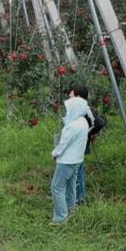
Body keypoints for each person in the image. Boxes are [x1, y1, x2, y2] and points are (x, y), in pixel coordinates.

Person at [50, 90, 92, 225]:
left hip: (66, 161)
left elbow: (63, 144)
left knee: (56, 187)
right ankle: (71, 210)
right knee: (71, 186)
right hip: (77, 160)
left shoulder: (72, 127)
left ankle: (61, 218)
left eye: (69, 108)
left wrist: (55, 153)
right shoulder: (82, 122)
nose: (67, 110)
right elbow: (70, 121)